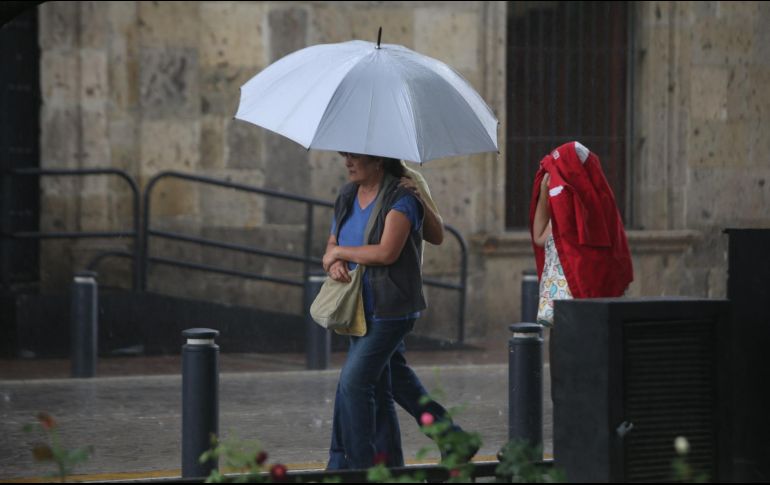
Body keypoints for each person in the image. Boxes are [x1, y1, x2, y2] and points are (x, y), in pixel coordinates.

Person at [323, 151, 427, 469]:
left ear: (378, 162)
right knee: (384, 388)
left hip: (391, 309)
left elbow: (386, 253)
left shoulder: (402, 197)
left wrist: (340, 251)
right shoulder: (346, 194)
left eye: (354, 157)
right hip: (357, 307)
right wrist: (335, 261)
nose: (347, 163)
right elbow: (331, 246)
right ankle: (394, 464)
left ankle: (357, 466)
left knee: (353, 383)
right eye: (345, 156)